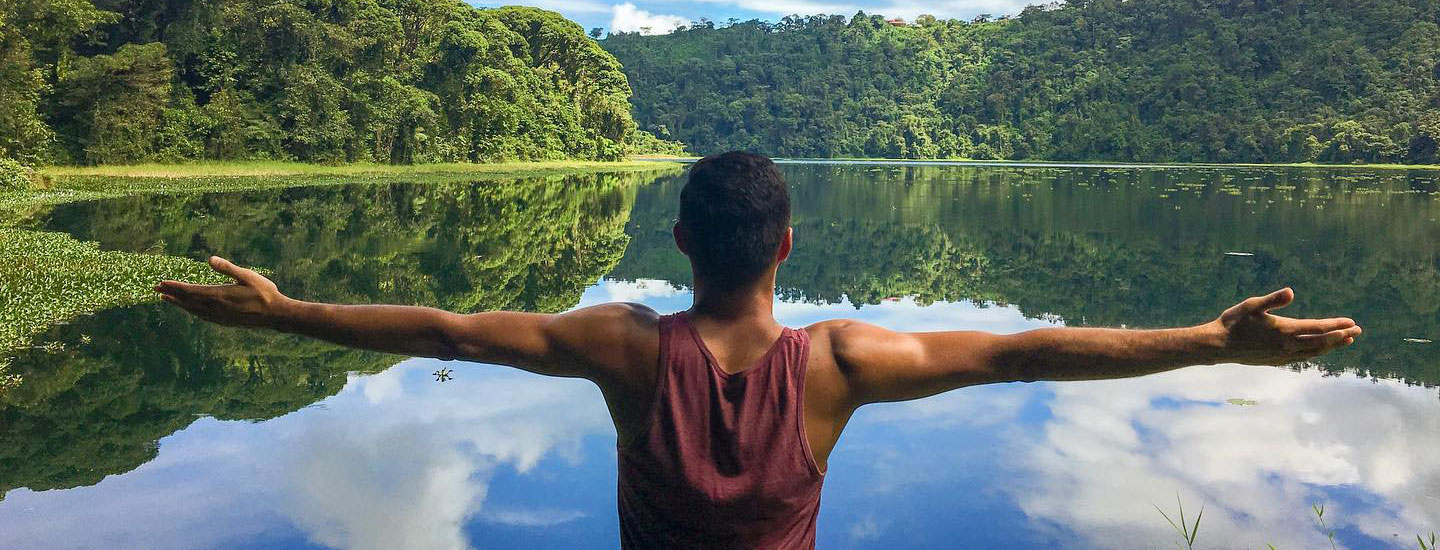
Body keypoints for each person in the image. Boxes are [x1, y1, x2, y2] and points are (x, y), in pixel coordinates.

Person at [155, 151, 1362, 550]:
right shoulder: (838, 365)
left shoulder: (625, 350)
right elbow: (1021, 356)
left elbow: (446, 328)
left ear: (680, 240)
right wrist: (1208, 340)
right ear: (787, 243)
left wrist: (288, 311)